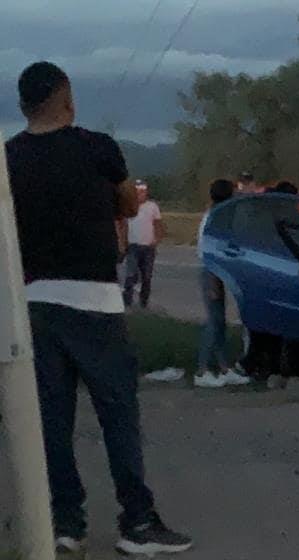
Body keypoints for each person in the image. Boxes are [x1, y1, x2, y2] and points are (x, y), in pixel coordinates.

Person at [5, 61, 191, 555]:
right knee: (118, 415)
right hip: (95, 301)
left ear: (24, 106)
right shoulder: (96, 148)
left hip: (34, 303)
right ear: (68, 99)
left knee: (53, 421)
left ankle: (66, 524)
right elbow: (129, 204)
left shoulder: (9, 159)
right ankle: (137, 522)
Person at [194, 179, 254, 389]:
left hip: (216, 273)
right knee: (214, 322)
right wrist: (212, 281)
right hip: (212, 273)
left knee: (220, 322)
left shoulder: (214, 214)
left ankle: (224, 368)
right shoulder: (217, 217)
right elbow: (209, 251)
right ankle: (201, 371)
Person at [122, 179, 163, 308]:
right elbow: (123, 225)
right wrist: (123, 243)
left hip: (148, 246)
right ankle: (127, 301)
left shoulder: (152, 206)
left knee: (147, 276)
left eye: (143, 191)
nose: (141, 194)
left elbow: (158, 224)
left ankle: (143, 303)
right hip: (133, 245)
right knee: (131, 274)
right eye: (138, 191)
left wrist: (156, 240)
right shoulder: (128, 206)